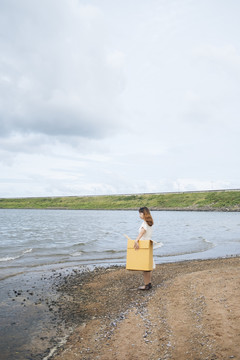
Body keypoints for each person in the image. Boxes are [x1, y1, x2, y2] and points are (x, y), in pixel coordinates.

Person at [134, 206, 154, 290]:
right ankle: (148, 284)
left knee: (144, 267)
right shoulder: (149, 223)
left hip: (144, 245)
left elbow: (142, 232)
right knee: (147, 267)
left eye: (140, 213)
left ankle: (146, 285)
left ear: (143, 213)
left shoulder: (144, 223)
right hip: (148, 244)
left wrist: (136, 240)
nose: (139, 215)